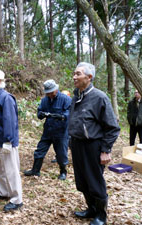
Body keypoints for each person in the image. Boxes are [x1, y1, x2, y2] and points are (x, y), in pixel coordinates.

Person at [68, 62, 120, 225]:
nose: (74, 77)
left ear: (89, 77)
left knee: (94, 181)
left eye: (78, 74)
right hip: (77, 145)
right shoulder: (76, 96)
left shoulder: (99, 97)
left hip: (93, 146)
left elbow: (112, 127)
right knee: (82, 180)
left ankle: (101, 215)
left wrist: (105, 150)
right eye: (74, 74)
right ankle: (91, 208)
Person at [0, 69, 23, 212]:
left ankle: (17, 199)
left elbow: (10, 121)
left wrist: (8, 141)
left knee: (11, 170)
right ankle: (4, 192)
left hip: (6, 142)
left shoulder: (6, 98)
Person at [24, 80, 71, 180]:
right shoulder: (45, 100)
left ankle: (63, 172)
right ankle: (35, 170)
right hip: (48, 131)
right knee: (40, 150)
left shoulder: (65, 99)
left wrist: (59, 116)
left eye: (51, 92)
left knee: (61, 154)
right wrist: (41, 114)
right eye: (48, 92)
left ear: (56, 89)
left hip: (61, 132)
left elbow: (69, 114)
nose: (49, 94)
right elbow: (39, 112)